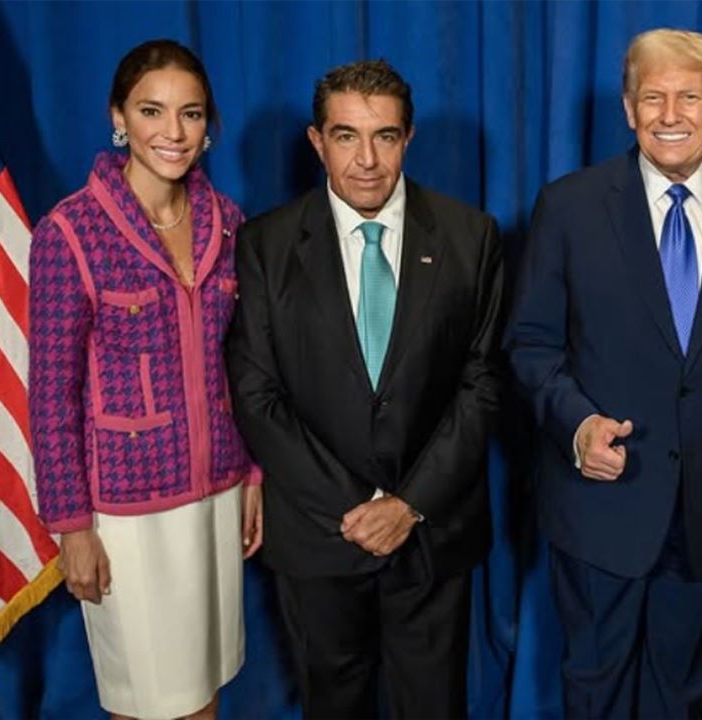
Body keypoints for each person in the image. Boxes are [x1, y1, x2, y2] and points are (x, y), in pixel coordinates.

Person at [505, 28, 702, 718]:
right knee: (595, 689)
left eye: (689, 98)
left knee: (683, 695)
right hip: (601, 501)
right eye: (652, 98)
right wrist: (578, 424)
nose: (670, 115)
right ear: (627, 108)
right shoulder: (569, 206)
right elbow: (530, 344)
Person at [226, 59, 503, 718]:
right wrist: (357, 506)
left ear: (409, 138)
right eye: (346, 136)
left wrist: (408, 504)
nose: (368, 160)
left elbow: (484, 382)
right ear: (317, 141)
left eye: (385, 136)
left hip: (432, 535)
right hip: (321, 536)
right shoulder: (265, 243)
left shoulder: (470, 236)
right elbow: (256, 391)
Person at [28, 39, 262, 720]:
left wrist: (252, 474)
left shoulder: (229, 222)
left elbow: (243, 361)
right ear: (119, 117)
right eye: (151, 111)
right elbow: (51, 393)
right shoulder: (70, 232)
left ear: (209, 123)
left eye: (191, 113)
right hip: (125, 513)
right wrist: (71, 526)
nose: (174, 132)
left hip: (217, 493)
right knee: (146, 702)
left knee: (205, 695)